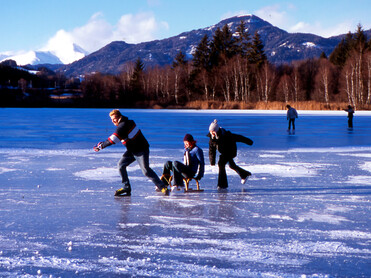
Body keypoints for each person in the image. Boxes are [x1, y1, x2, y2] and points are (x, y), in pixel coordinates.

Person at [93, 109, 168, 196]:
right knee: (121, 165)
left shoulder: (124, 125)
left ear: (119, 117)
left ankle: (162, 187)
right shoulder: (126, 123)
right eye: (112, 119)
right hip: (132, 150)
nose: (113, 121)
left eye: (115, 118)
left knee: (146, 171)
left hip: (141, 150)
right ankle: (126, 187)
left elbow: (113, 139)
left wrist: (100, 146)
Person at [207, 119, 253, 189]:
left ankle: (222, 185)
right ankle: (244, 174)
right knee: (231, 165)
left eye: (213, 131)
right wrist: (212, 161)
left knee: (221, 164)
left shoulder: (226, 135)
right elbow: (211, 150)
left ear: (216, 130)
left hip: (230, 151)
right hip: (223, 152)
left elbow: (238, 137)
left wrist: (249, 142)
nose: (212, 133)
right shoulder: (212, 139)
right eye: (210, 132)